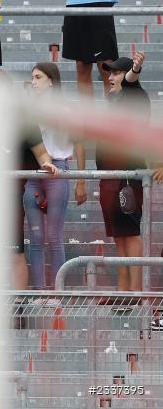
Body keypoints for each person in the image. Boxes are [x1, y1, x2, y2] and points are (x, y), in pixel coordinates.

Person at [24, 63, 87, 290]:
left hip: (58, 168)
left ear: (51, 80)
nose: (33, 82)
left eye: (38, 77)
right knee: (36, 236)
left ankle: (57, 291)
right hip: (34, 171)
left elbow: (79, 143)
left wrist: (80, 180)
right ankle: (41, 291)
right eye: (32, 78)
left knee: (53, 235)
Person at [96, 54, 149, 293]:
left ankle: (135, 291)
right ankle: (123, 290)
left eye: (116, 72)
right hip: (109, 175)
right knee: (118, 235)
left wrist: (134, 70)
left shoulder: (135, 95)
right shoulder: (113, 101)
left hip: (128, 175)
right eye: (109, 72)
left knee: (130, 233)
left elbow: (131, 82)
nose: (111, 76)